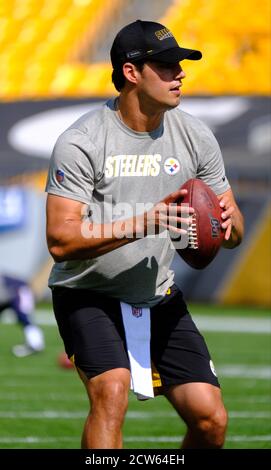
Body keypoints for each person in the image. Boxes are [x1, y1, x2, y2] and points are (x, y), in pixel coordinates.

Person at [45, 20, 244, 449]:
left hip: (158, 294)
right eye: (167, 65)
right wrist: (145, 222)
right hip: (89, 293)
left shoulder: (195, 135)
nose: (180, 74)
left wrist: (226, 226)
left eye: (180, 65)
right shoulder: (82, 141)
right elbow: (60, 241)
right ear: (132, 73)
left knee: (211, 420)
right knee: (111, 392)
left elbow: (234, 230)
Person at [0, 274, 45, 357]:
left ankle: (35, 344)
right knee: (24, 319)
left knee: (25, 319)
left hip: (21, 291)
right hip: (10, 295)